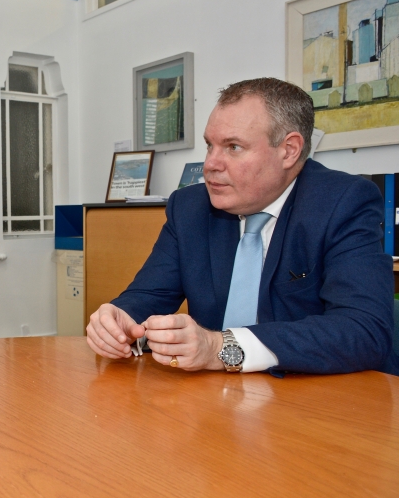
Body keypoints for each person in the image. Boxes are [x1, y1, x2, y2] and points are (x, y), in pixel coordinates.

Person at [87, 77, 398, 376]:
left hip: (322, 402)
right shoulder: (190, 207)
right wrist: (118, 318)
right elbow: (148, 295)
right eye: (210, 145)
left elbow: (364, 329)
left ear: (289, 150)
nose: (210, 164)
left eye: (233, 147)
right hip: (214, 402)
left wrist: (221, 348)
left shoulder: (342, 202)